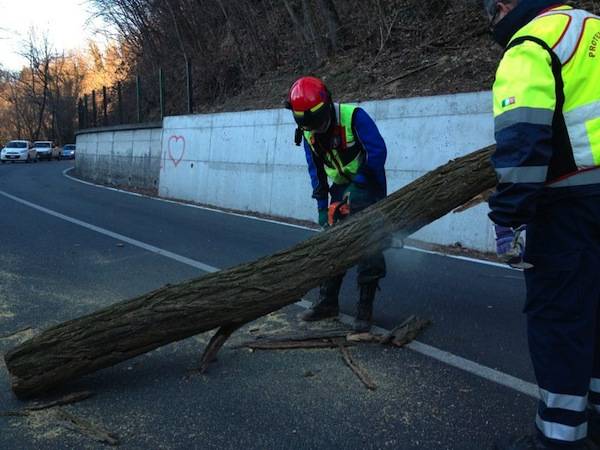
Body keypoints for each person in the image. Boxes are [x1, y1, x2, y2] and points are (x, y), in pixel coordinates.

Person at [485, 0, 600, 449]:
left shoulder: (531, 44)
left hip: (570, 205)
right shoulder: (591, 28)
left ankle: (559, 438)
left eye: (491, 11)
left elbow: (523, 141)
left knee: (560, 319)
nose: (492, 20)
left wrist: (509, 219)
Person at [285, 76, 387, 332]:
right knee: (331, 244)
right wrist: (322, 206)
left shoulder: (353, 117)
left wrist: (360, 184)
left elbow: (377, 152)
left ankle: (365, 309)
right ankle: (327, 302)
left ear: (327, 105)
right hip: (339, 189)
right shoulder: (309, 134)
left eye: (319, 123)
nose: (317, 129)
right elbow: (316, 171)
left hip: (368, 184)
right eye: (311, 126)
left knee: (367, 244)